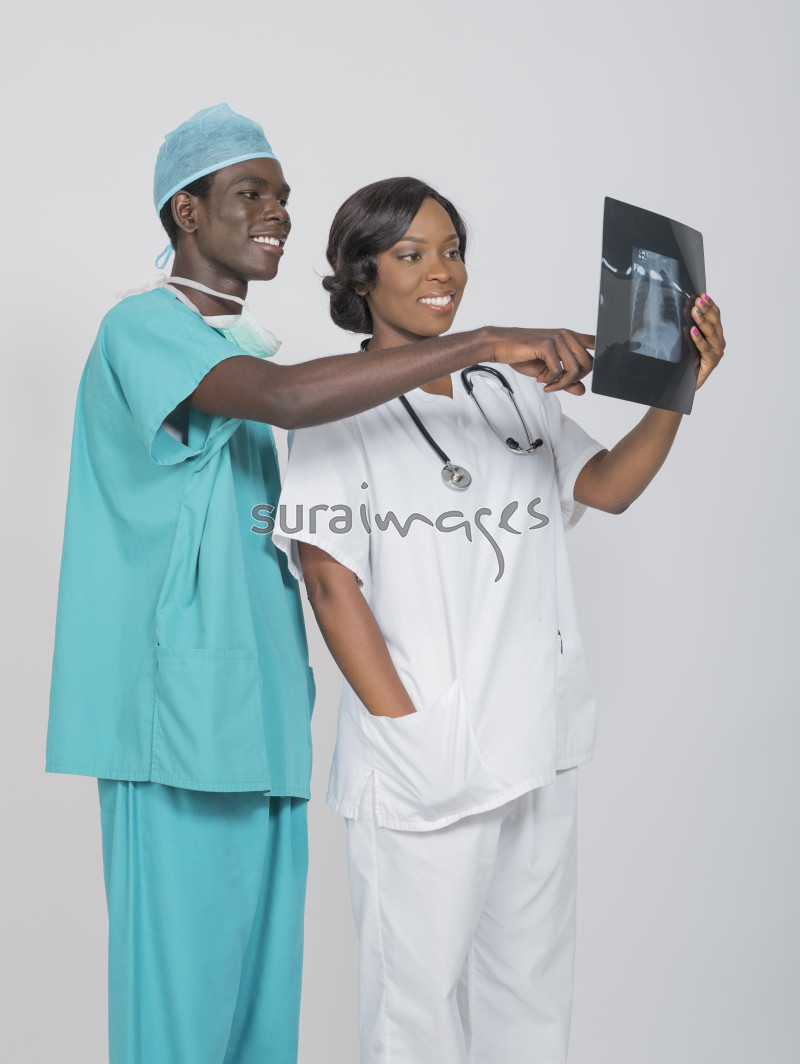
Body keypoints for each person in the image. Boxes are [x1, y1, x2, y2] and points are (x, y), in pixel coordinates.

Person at [45, 105, 595, 1064]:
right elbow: (291, 400)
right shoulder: (144, 328)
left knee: (261, 1021)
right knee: (180, 1011)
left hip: (261, 722)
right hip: (172, 719)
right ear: (185, 210)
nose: (278, 213)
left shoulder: (244, 348)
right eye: (250, 193)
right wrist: (481, 341)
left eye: (284, 197)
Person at [274, 177, 725, 1064]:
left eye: (451, 250)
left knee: (531, 1000)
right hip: (426, 751)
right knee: (415, 1016)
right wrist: (409, 731)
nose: (441, 272)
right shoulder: (337, 404)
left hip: (533, 745)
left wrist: (677, 390)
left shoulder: (509, 389)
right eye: (411, 255)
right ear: (362, 276)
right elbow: (330, 582)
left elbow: (605, 488)